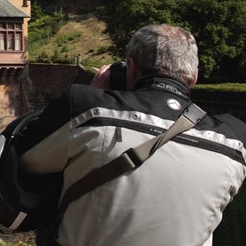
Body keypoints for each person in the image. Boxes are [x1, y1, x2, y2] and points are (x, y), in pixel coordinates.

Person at [17, 24, 246, 246]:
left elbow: (23, 160)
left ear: (132, 68)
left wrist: (95, 93)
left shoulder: (85, 108)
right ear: (195, 78)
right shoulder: (233, 142)